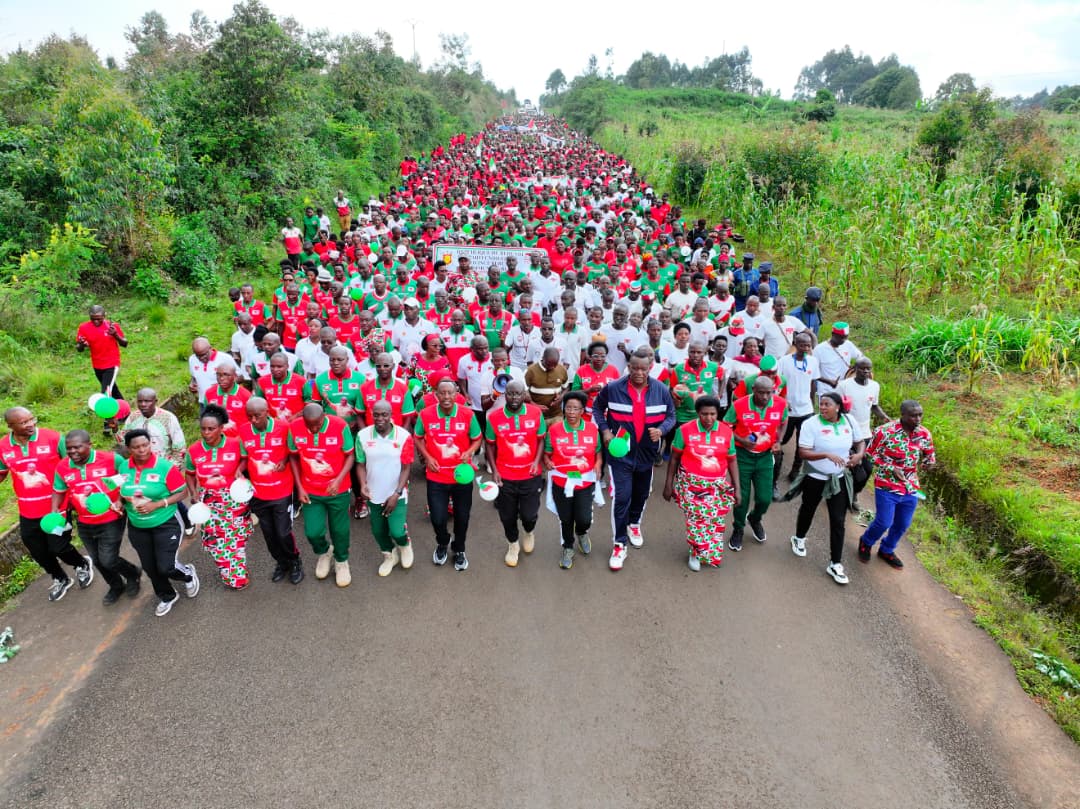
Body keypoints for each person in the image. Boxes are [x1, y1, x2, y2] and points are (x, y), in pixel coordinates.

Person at [592, 349, 676, 571]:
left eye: (644, 368)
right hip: (620, 455)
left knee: (641, 493)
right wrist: (605, 431)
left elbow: (671, 415)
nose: (639, 372)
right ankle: (619, 544)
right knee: (622, 497)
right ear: (628, 367)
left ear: (650, 368)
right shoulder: (613, 388)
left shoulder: (661, 390)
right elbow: (597, 409)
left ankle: (634, 523)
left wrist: (661, 429)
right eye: (634, 368)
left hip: (647, 454)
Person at [0, 408, 93, 602]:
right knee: (38, 551)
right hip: (28, 510)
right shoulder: (3, 447)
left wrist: (78, 494)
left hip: (57, 506)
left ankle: (81, 564)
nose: (30, 424)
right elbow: (2, 472)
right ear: (10, 426)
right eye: (23, 422)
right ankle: (60, 578)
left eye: (31, 419)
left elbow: (72, 465)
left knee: (58, 546)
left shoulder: (52, 438)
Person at [52, 430, 141, 605]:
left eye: (77, 447)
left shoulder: (110, 459)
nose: (72, 452)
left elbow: (128, 478)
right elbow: (58, 490)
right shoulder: (63, 466)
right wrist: (55, 508)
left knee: (108, 559)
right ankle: (116, 586)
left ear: (89, 445)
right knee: (97, 560)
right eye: (69, 448)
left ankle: (132, 573)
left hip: (111, 517)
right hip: (84, 521)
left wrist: (120, 500)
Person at [116, 429, 199, 617]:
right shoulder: (123, 468)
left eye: (145, 445)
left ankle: (187, 574)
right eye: (136, 447)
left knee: (166, 566)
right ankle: (167, 595)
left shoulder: (164, 467)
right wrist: (119, 503)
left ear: (150, 444)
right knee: (150, 567)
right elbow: (123, 492)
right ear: (129, 449)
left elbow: (182, 492)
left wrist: (157, 504)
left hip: (166, 522)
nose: (142, 450)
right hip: (138, 526)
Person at [788, 392, 865, 585]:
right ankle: (798, 537)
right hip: (815, 477)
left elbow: (860, 442)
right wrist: (825, 455)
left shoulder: (849, 421)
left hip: (838, 479)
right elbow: (803, 452)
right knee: (808, 509)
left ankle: (835, 563)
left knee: (838, 520)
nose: (822, 407)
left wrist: (859, 455)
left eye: (826, 404)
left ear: (838, 406)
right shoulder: (811, 424)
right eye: (820, 404)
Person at [663, 396, 740, 570]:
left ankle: (710, 554)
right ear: (698, 413)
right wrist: (669, 484)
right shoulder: (684, 430)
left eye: (713, 414)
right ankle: (695, 553)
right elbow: (674, 458)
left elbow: (732, 460)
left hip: (717, 486)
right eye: (704, 414)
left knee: (714, 521)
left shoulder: (727, 432)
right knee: (696, 522)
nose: (709, 418)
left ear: (717, 413)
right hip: (692, 486)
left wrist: (737, 488)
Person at [413, 378, 482, 571]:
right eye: (442, 393)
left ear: (456, 395)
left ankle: (459, 549)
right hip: (436, 476)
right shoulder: (426, 414)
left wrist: (469, 452)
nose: (446, 397)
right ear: (436, 395)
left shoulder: (467, 414)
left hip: (462, 476)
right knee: (438, 518)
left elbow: (477, 439)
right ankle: (443, 542)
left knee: (462, 517)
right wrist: (427, 457)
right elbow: (417, 437)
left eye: (449, 393)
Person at [857, 400, 936, 569]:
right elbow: (869, 455)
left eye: (920, 415)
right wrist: (890, 467)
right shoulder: (885, 431)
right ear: (903, 415)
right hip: (887, 483)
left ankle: (887, 549)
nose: (918, 419)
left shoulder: (924, 434)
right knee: (884, 521)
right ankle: (866, 541)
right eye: (913, 415)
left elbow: (930, 455)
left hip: (910, 485)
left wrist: (929, 463)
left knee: (902, 523)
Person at [185, 404, 252, 590]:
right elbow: (189, 473)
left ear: (221, 428)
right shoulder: (194, 450)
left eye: (211, 429)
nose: (206, 433)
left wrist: (239, 469)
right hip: (209, 502)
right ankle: (228, 569)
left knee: (235, 540)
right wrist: (193, 493)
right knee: (217, 543)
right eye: (203, 429)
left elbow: (245, 458)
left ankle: (237, 576)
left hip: (233, 500)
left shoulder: (235, 443)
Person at [237, 397, 303, 584]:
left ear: (267, 412)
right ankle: (281, 563)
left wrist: (284, 460)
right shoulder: (244, 430)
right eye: (249, 416)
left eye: (257, 416)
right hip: (258, 493)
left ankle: (295, 561)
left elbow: (293, 453)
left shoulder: (283, 427)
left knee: (283, 532)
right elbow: (244, 457)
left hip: (281, 490)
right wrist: (239, 470)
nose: (253, 420)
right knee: (269, 534)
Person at [289, 403, 355, 587]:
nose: (314, 429)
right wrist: (299, 486)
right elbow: (293, 456)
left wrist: (338, 480)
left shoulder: (340, 425)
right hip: (310, 491)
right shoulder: (294, 427)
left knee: (340, 530)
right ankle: (325, 552)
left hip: (337, 490)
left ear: (324, 416)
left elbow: (350, 455)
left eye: (317, 424)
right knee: (312, 531)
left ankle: (341, 562)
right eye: (309, 425)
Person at [484, 380, 547, 568]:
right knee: (507, 516)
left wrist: (537, 463)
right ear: (505, 394)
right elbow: (490, 444)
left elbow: (541, 440)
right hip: (505, 476)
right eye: (510, 393)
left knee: (529, 515)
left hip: (530, 474)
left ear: (524, 394)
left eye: (518, 393)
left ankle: (528, 532)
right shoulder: (494, 417)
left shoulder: (535, 413)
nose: (514, 397)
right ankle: (512, 544)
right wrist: (494, 470)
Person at [724, 375, 788, 552]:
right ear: (753, 391)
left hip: (765, 457)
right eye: (761, 393)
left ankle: (755, 518)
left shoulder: (780, 404)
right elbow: (726, 427)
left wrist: (778, 441)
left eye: (769, 393)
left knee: (764, 498)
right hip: (742, 456)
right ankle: (738, 528)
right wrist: (742, 441)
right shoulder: (739, 405)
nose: (766, 397)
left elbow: (784, 421)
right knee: (741, 498)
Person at [356, 400, 415, 577]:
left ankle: (404, 546)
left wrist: (397, 493)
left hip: (396, 493)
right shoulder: (363, 435)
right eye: (376, 414)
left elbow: (406, 468)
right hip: (374, 493)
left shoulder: (403, 436)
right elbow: (360, 464)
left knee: (396, 530)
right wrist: (363, 485)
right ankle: (390, 556)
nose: (380, 418)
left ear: (391, 416)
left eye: (384, 415)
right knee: (378, 531)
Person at [543, 391, 600, 569]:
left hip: (584, 482)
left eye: (576, 408)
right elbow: (547, 453)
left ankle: (582, 532)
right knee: (566, 518)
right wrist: (548, 462)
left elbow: (598, 451)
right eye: (568, 408)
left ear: (583, 410)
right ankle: (568, 547)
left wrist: (598, 465)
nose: (572, 412)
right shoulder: (554, 430)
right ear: (563, 409)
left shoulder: (592, 428)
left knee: (584, 518)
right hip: (562, 482)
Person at [774, 332, 821, 493]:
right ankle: (774, 472)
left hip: (806, 410)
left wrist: (813, 404)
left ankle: (795, 471)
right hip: (788, 410)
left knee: (803, 443)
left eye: (808, 345)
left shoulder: (813, 362)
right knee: (781, 440)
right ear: (795, 344)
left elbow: (814, 383)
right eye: (802, 345)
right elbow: (777, 383)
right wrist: (782, 401)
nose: (806, 348)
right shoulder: (784, 361)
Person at [76, 305, 127, 434]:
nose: (96, 322)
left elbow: (125, 343)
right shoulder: (84, 327)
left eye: (98, 319)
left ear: (104, 316)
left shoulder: (112, 326)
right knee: (113, 390)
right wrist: (81, 344)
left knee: (106, 392)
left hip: (111, 363)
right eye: (93, 319)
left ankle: (108, 422)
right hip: (97, 365)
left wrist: (115, 334)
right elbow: (79, 348)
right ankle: (125, 413)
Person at [117, 388, 187, 465]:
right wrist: (115, 429)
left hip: (162, 465)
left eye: (147, 401)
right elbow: (124, 442)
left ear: (155, 401)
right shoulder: (133, 417)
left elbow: (180, 448)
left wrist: (171, 468)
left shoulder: (168, 418)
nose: (143, 404)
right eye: (140, 401)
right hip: (139, 466)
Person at [813, 322, 863, 396]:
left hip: (845, 391)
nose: (843, 340)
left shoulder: (848, 344)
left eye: (845, 337)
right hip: (826, 391)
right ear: (833, 334)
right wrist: (829, 382)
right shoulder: (819, 349)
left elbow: (861, 357)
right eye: (840, 337)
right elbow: (812, 371)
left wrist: (857, 365)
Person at [524, 346, 569, 420]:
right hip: (536, 416)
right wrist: (534, 405)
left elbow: (566, 387)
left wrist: (561, 397)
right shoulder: (531, 371)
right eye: (549, 364)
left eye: (555, 364)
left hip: (556, 415)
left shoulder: (561, 369)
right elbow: (522, 393)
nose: (552, 367)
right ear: (543, 358)